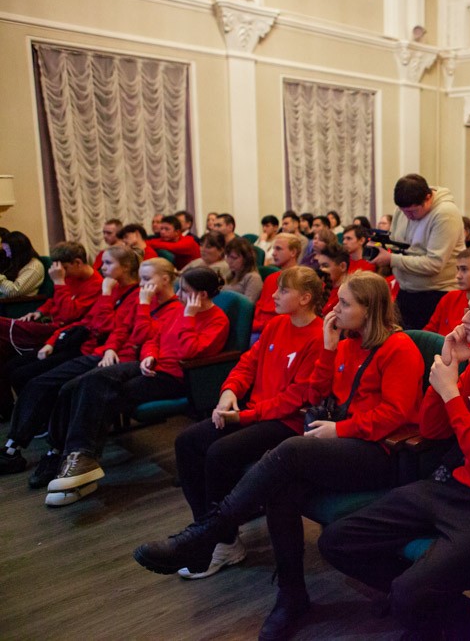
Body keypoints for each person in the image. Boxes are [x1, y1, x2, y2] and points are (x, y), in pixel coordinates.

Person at [135, 270, 425, 636]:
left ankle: (206, 534)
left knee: (287, 452)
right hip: (343, 442)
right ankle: (292, 595)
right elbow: (320, 392)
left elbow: (396, 414)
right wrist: (329, 347)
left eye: (345, 303)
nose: (335, 308)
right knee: (280, 489)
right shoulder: (347, 341)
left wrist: (341, 429)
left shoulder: (399, 348)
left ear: (370, 309)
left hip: (378, 452)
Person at [318, 276, 470, 637]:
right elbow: (432, 430)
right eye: (468, 307)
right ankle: (429, 607)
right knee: (336, 541)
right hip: (453, 487)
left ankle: (439, 613)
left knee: (408, 593)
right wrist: (449, 368)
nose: (465, 318)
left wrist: (450, 392)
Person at [170, 267, 325, 579]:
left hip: (288, 424)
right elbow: (248, 363)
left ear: (305, 298)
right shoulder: (277, 324)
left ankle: (224, 542)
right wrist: (229, 392)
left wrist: (242, 416)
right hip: (256, 411)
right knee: (187, 442)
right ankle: (205, 531)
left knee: (220, 452)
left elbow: (294, 400)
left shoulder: (318, 336)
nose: (273, 296)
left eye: (282, 291)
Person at [42, 267, 230, 505]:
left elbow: (188, 352)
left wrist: (189, 317)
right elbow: (153, 338)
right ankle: (76, 456)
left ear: (201, 295)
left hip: (176, 378)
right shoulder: (179, 310)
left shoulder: (216, 320)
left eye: (184, 290)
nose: (178, 293)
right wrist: (149, 355)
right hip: (152, 366)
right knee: (92, 380)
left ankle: (81, 459)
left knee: (103, 394)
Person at [0, 246, 142, 478]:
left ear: (125, 267)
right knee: (38, 382)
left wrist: (105, 296)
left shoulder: (126, 294)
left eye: (107, 264)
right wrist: (54, 340)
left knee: (64, 389)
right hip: (90, 349)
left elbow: (107, 327)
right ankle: (13, 447)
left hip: (105, 355)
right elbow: (87, 322)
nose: (101, 268)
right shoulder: (114, 289)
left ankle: (53, 452)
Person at [369, 174, 464, 330]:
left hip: (436, 293)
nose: (408, 216)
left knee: (423, 346)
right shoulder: (404, 209)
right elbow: (396, 243)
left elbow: (434, 264)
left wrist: (392, 259)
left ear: (428, 198)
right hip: (406, 290)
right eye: (404, 211)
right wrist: (381, 245)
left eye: (412, 212)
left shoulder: (445, 213)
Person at [424, 246, 470, 336]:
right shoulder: (450, 297)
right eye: (458, 269)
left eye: (464, 269)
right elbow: (429, 331)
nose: (458, 276)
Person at [251, 233, 302, 338]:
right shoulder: (271, 278)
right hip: (260, 328)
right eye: (273, 249)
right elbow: (260, 307)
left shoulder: (302, 280)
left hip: (282, 331)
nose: (273, 254)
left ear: (293, 252)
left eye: (278, 249)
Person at [0, 231, 45, 298]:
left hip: (20, 305)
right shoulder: (19, 264)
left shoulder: (34, 267)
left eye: (8, 250)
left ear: (16, 250)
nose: (7, 255)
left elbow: (13, 291)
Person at [222, 236, 263, 303]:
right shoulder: (231, 274)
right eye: (228, 257)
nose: (229, 261)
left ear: (246, 259)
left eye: (234, 258)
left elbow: (248, 306)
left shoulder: (253, 278)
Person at [316, 245, 351, 316]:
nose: (321, 270)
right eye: (320, 266)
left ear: (342, 266)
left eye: (325, 266)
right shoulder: (321, 287)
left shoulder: (350, 294)